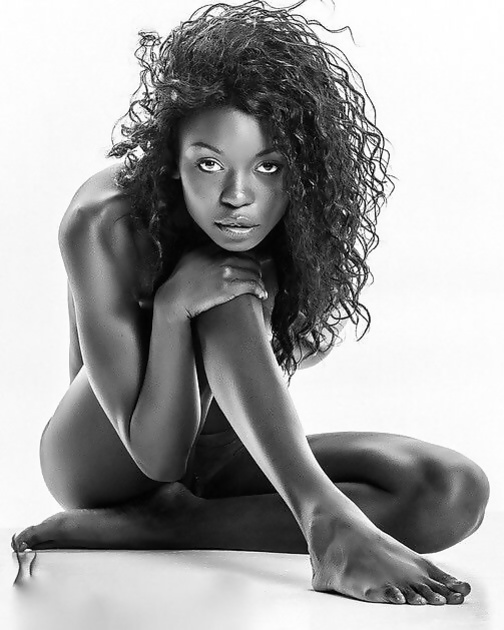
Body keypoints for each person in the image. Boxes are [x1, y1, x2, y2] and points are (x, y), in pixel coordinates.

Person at [12, 0, 490, 606]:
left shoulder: (295, 226)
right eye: (209, 163)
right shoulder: (104, 218)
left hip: (220, 456)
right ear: (170, 156)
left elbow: (295, 352)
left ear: (303, 169)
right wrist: (172, 310)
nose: (237, 196)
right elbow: (158, 456)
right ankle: (324, 521)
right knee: (223, 285)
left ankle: (171, 527)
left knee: (453, 492)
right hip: (111, 456)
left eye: (268, 166)